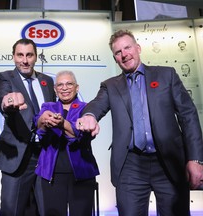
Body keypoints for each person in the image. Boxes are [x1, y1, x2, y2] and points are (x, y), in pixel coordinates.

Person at [76, 29, 203, 216]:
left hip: (168, 160)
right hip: (131, 165)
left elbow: (188, 115)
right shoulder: (110, 85)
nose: (124, 54)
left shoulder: (166, 75)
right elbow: (97, 105)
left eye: (127, 48)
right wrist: (89, 116)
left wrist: (195, 159)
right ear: (115, 59)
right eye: (118, 52)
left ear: (138, 48)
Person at [0, 38, 56, 216]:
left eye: (29, 55)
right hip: (17, 157)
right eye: (20, 55)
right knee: (11, 211)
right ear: (13, 57)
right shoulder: (4, 77)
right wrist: (7, 101)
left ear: (36, 57)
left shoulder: (47, 82)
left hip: (45, 156)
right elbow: (1, 96)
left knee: (47, 210)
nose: (25, 60)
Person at [34, 70, 99, 216]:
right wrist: (43, 121)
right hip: (51, 174)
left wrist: (62, 123)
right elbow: (39, 130)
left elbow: (82, 136)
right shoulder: (47, 107)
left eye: (69, 84)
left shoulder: (86, 108)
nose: (64, 88)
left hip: (82, 173)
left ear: (77, 88)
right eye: (60, 85)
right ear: (55, 89)